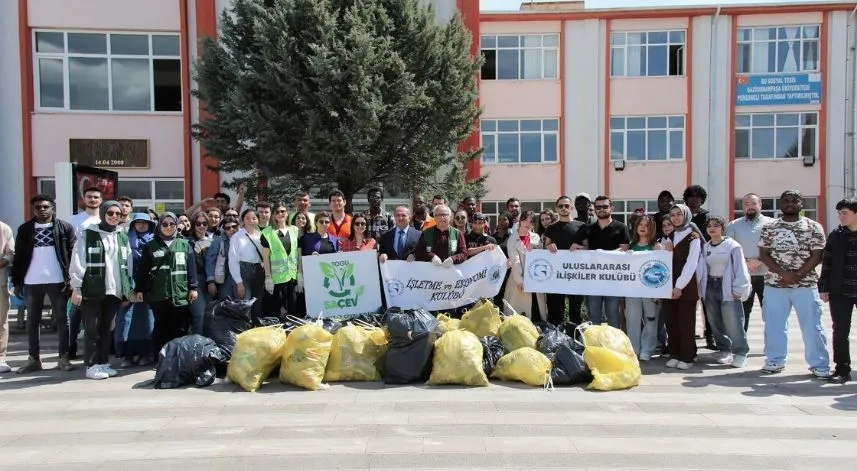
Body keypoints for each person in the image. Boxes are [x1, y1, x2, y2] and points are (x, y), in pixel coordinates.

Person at [758, 190, 830, 377]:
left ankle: (819, 364)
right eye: (786, 201)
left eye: (794, 200)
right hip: (776, 284)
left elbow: (817, 255)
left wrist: (797, 275)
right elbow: (763, 254)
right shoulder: (770, 227)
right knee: (774, 326)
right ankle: (774, 361)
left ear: (801, 203)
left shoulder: (813, 226)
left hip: (805, 286)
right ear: (781, 204)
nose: (790, 203)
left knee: (813, 326)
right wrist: (783, 274)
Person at [12, 194, 76, 374]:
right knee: (32, 321)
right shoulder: (25, 229)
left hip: (58, 281)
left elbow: (72, 256)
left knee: (63, 320)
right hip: (32, 281)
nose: (42, 210)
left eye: (45, 207)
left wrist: (72, 280)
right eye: (38, 207)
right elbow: (18, 258)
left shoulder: (64, 228)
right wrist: (17, 282)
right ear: (33, 210)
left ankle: (64, 358)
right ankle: (34, 360)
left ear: (52, 208)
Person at [70, 201, 133, 380]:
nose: (114, 216)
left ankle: (103, 362)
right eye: (110, 213)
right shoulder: (88, 234)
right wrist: (77, 287)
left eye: (118, 214)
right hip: (93, 289)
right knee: (92, 329)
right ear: (103, 213)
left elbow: (128, 264)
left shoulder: (122, 236)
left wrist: (127, 289)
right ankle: (91, 365)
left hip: (114, 290)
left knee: (107, 328)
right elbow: (78, 261)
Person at [134, 212, 199, 357]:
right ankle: (161, 358)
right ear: (159, 226)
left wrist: (193, 287)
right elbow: (142, 270)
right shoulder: (150, 246)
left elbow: (191, 268)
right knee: (160, 327)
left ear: (176, 225)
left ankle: (177, 359)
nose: (168, 227)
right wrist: (139, 289)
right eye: (164, 224)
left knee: (179, 328)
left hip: (180, 293)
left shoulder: (185, 244)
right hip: (159, 293)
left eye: (172, 224)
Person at [697, 216, 752, 369]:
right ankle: (724, 350)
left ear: (722, 228)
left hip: (727, 286)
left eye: (716, 225)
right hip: (710, 287)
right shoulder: (706, 247)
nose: (712, 228)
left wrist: (739, 288)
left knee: (733, 322)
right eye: (709, 226)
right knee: (715, 322)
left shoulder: (732, 246)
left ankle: (740, 353)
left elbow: (741, 269)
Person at [819, 197, 857, 384]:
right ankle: (842, 369)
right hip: (840, 290)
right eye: (839, 213)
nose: (841, 217)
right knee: (840, 330)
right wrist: (823, 287)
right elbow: (827, 262)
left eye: (845, 213)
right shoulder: (836, 235)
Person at [661, 204, 703, 370]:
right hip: (668, 286)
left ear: (686, 215)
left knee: (686, 323)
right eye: (673, 214)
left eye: (679, 214)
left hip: (685, 287)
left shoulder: (693, 236)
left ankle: (687, 356)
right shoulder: (670, 235)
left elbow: (691, 264)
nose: (676, 217)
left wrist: (679, 287)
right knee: (671, 322)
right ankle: (675, 354)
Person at [726, 193, 774, 332]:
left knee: (771, 312)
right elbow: (729, 249)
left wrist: (759, 261)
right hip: (743, 276)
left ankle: (773, 347)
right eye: (746, 204)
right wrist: (745, 262)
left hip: (768, 275)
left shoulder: (772, 224)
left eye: (753, 203)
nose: (750, 207)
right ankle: (742, 347)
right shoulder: (733, 225)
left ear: (760, 205)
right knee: (743, 313)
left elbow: (777, 249)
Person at [582, 196, 630, 328]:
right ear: (594, 209)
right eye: (598, 207)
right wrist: (577, 248)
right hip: (593, 279)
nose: (601, 209)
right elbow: (586, 249)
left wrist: (603, 255)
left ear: (611, 208)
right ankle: (596, 345)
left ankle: (614, 346)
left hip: (613, 279)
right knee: (593, 315)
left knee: (613, 314)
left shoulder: (621, 227)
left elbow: (624, 249)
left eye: (605, 206)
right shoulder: (589, 228)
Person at [115, 212, 156, 368]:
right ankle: (127, 355)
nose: (141, 225)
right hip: (129, 284)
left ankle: (145, 354)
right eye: (138, 222)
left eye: (145, 223)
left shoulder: (154, 241)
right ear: (133, 224)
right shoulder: (125, 240)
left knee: (146, 320)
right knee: (126, 319)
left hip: (148, 286)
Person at [543, 196, 588, 325]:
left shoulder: (581, 226)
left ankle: (576, 340)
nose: (564, 208)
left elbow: (588, 248)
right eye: (561, 206)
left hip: (576, 275)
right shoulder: (551, 228)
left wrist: (580, 247)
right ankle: (556, 342)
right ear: (556, 208)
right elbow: (545, 248)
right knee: (555, 312)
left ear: (571, 208)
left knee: (575, 312)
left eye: (566, 206)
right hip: (555, 276)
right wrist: (548, 246)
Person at [624, 215, 662, 360]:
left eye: (647, 225)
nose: (643, 227)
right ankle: (634, 348)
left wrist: (658, 292)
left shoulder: (657, 247)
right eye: (641, 224)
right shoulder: (631, 246)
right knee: (632, 319)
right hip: (632, 289)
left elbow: (662, 271)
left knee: (651, 319)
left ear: (652, 228)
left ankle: (647, 348)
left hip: (650, 290)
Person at [683, 184, 715, 350]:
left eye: (698, 196)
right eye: (691, 195)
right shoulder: (682, 216)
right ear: (686, 198)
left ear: (702, 199)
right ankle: (687, 335)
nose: (694, 199)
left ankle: (710, 334)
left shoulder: (707, 217)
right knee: (688, 302)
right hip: (684, 262)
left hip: (703, 261)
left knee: (706, 300)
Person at [504, 210, 546, 321]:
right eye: (525, 220)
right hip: (518, 282)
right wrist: (519, 280)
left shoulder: (536, 237)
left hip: (535, 280)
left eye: (531, 221)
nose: (527, 223)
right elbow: (515, 260)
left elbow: (541, 258)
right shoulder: (512, 239)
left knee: (537, 313)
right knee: (519, 315)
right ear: (520, 221)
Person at [261, 203, 300, 318]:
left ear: (287, 213)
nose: (280, 214)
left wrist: (300, 273)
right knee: (277, 310)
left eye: (283, 211)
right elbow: (266, 258)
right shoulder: (267, 233)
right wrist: (268, 277)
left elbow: (298, 253)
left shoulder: (295, 230)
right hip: (277, 278)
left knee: (293, 309)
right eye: (277, 212)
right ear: (273, 215)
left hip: (292, 277)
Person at [229, 209, 265, 321]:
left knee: (257, 304)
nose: (251, 221)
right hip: (243, 270)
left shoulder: (261, 235)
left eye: (254, 218)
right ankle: (243, 332)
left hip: (259, 270)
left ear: (258, 220)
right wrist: (238, 282)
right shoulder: (237, 237)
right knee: (245, 304)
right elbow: (232, 260)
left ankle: (255, 331)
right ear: (243, 220)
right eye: (247, 218)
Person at [186, 211, 212, 334]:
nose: (201, 226)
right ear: (193, 224)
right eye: (198, 223)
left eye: (204, 223)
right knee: (199, 314)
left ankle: (208, 344)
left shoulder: (213, 241)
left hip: (211, 281)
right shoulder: (187, 242)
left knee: (208, 315)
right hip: (195, 280)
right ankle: (197, 344)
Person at [205, 217, 240, 300]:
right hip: (225, 278)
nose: (231, 229)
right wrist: (211, 282)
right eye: (228, 228)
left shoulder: (244, 239)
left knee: (243, 306)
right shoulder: (218, 241)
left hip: (243, 277)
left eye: (234, 227)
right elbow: (210, 262)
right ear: (224, 230)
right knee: (226, 304)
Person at [0, 219, 15, 373]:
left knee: (1, 320)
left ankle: (0, 357)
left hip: (0, 281)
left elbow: (10, 254)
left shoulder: (3, 228)